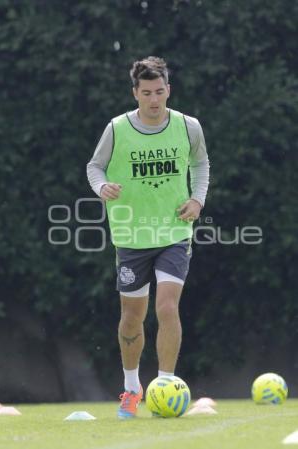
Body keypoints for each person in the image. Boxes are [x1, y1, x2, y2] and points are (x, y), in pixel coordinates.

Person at [87, 56, 210, 419]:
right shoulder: (117, 128)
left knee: (167, 307)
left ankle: (165, 386)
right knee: (131, 317)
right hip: (131, 234)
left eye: (160, 91)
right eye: (146, 93)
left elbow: (201, 163)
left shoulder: (189, 127)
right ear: (135, 93)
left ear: (168, 90)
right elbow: (95, 166)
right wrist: (101, 186)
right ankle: (130, 389)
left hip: (173, 231)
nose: (154, 100)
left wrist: (197, 200)